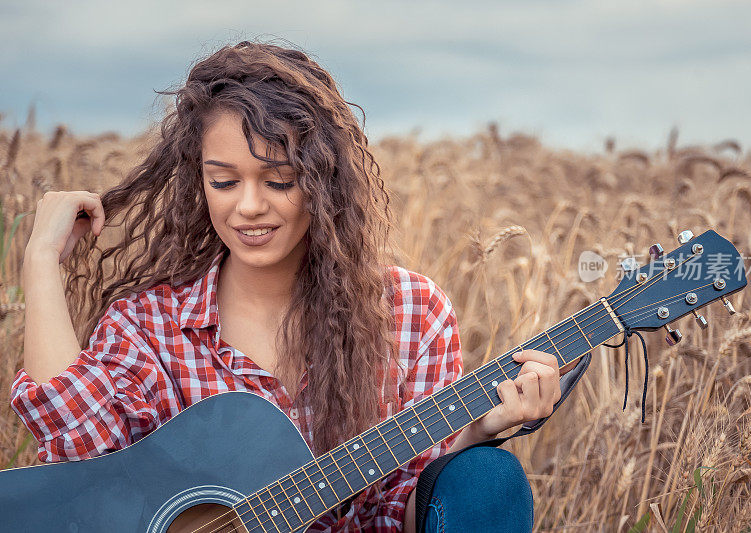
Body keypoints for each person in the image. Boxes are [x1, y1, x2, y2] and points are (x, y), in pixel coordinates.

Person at [10, 40, 573, 532]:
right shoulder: (149, 323)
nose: (249, 207)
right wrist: (40, 260)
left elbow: (394, 513)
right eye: (224, 181)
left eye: (279, 180)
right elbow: (79, 454)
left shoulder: (409, 313)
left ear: (322, 180)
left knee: (487, 478)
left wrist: (473, 434)